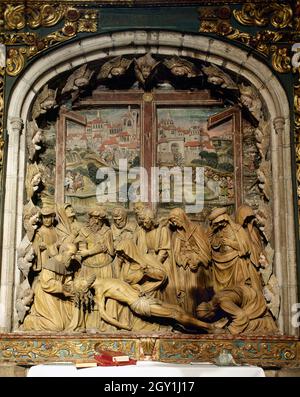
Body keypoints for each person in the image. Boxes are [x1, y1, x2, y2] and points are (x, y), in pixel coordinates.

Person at [74, 275, 226, 334]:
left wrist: (138, 287)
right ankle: (210, 327)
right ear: (83, 287)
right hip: (139, 304)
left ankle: (199, 327)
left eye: (79, 279)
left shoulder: (104, 277)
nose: (81, 278)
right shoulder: (99, 291)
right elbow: (104, 315)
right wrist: (123, 326)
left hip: (143, 297)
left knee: (177, 308)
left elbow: (125, 285)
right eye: (80, 282)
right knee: (175, 314)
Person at [22, 243, 80, 332]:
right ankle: (30, 321)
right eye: (71, 254)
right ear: (63, 252)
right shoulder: (51, 263)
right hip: (46, 294)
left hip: (60, 295)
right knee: (56, 326)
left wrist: (74, 289)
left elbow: (68, 281)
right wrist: (62, 288)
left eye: (74, 255)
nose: (73, 257)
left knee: (69, 323)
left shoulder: (67, 264)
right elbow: (46, 283)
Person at [76, 206, 116, 331]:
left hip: (104, 268)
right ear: (90, 218)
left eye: (98, 219)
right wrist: (85, 251)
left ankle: (106, 323)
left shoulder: (107, 231)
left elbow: (110, 250)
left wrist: (90, 251)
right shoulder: (84, 231)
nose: (96, 221)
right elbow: (81, 248)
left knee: (106, 295)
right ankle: (86, 324)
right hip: (88, 268)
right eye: (93, 218)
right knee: (86, 295)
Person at [168, 208, 211, 315]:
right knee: (185, 292)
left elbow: (205, 250)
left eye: (175, 220)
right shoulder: (176, 235)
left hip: (198, 266)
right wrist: (186, 261)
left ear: (181, 217)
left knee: (197, 288)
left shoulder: (196, 229)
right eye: (172, 221)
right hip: (184, 267)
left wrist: (197, 260)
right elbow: (176, 254)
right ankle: (188, 315)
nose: (174, 223)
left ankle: (201, 315)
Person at [32, 206, 59, 272]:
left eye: (48, 217)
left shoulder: (55, 230)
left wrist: (57, 245)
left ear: (52, 218)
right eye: (44, 217)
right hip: (45, 258)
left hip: (55, 257)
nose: (46, 220)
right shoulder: (40, 232)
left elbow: (58, 242)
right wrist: (39, 246)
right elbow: (35, 247)